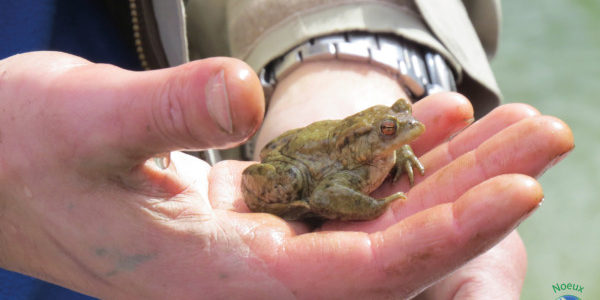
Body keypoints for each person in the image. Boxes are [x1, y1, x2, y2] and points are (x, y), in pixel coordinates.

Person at [0, 1, 574, 299]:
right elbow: (327, 190)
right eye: (389, 135)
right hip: (294, 164)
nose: (403, 137)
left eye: (400, 128)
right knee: (297, 187)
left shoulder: (386, 144)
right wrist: (374, 208)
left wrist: (342, 60)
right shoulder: (350, 166)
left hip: (163, 222)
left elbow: (395, 138)